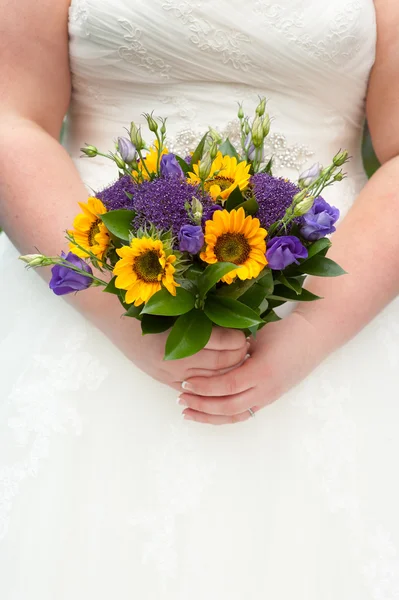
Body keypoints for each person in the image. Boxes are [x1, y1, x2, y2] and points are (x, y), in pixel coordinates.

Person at [0, 0, 398, 597]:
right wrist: (122, 315)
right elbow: (13, 118)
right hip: (95, 296)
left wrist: (307, 337)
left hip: (337, 304)